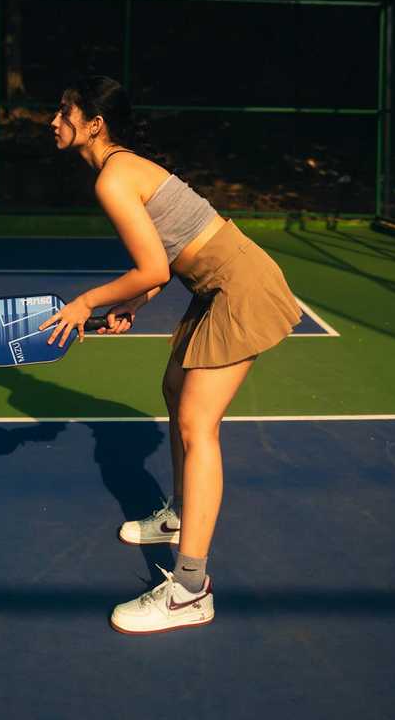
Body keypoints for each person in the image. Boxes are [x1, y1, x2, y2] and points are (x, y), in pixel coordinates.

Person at [39, 76, 302, 635]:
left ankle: (189, 590)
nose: (53, 121)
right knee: (174, 388)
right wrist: (133, 302)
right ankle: (180, 515)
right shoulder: (122, 169)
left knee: (195, 426)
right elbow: (165, 259)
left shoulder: (114, 177)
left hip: (239, 287)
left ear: (94, 124)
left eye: (64, 112)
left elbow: (154, 267)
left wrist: (85, 302)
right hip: (213, 285)